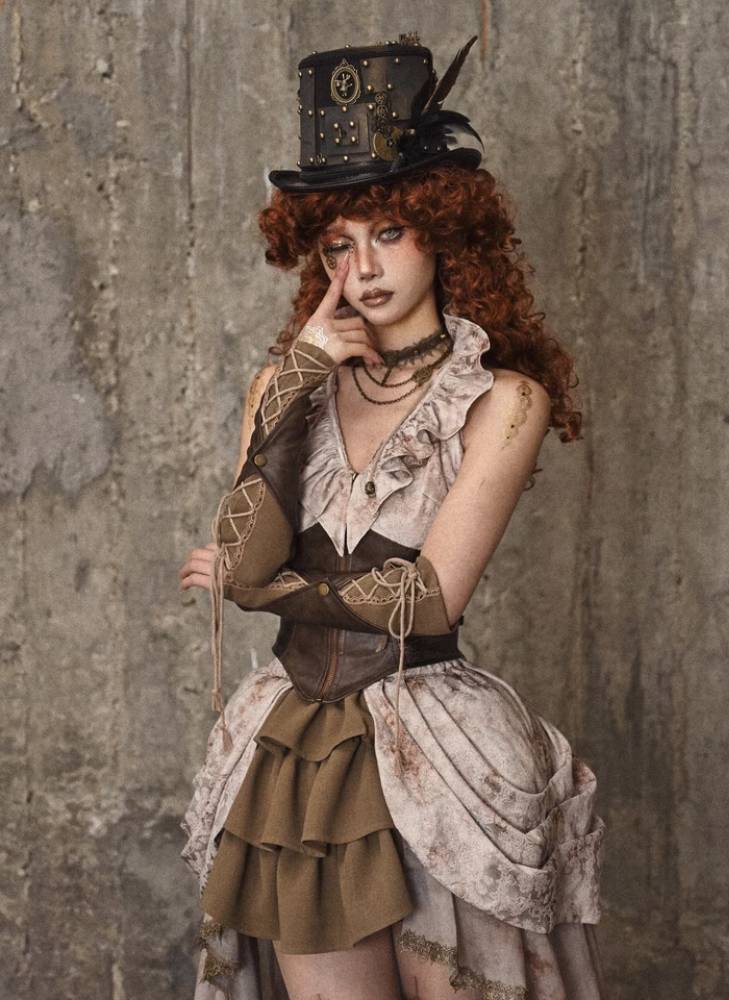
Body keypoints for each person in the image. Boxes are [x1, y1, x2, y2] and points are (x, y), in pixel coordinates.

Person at [178, 33, 607, 1000]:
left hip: (438, 753)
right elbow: (248, 549)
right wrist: (299, 375)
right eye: (339, 244)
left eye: (388, 233)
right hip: (294, 754)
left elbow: (430, 597)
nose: (363, 267)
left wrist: (268, 590)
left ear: (441, 232)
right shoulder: (285, 387)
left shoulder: (501, 400)